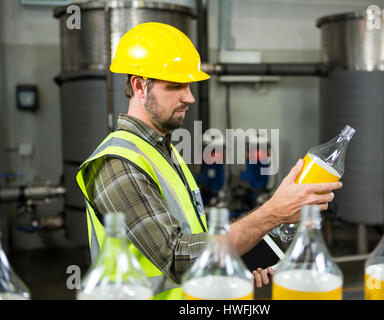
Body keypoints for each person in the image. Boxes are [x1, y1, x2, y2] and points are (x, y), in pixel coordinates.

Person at [76, 22, 342, 300]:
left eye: (189, 85)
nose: (189, 97)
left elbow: (193, 242)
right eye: (176, 86)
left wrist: (229, 265)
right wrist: (273, 212)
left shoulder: (161, 148)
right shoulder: (118, 163)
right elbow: (178, 260)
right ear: (139, 86)